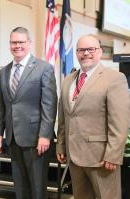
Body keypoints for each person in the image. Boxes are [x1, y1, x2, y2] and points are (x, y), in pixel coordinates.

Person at [56, 35, 130, 199]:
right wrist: (61, 145)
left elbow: (120, 122)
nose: (86, 53)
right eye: (82, 50)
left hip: (101, 159)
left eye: (91, 49)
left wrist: (113, 155)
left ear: (100, 52)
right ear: (76, 53)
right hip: (74, 157)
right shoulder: (68, 81)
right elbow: (63, 117)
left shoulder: (114, 79)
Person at [0, 27, 57, 199]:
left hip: (36, 139)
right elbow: (1, 107)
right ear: (9, 45)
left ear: (29, 44)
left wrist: (45, 134)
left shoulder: (44, 68)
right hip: (13, 139)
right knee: (20, 187)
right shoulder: (4, 71)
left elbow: (49, 105)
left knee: (37, 188)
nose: (17, 45)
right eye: (14, 42)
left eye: (21, 42)